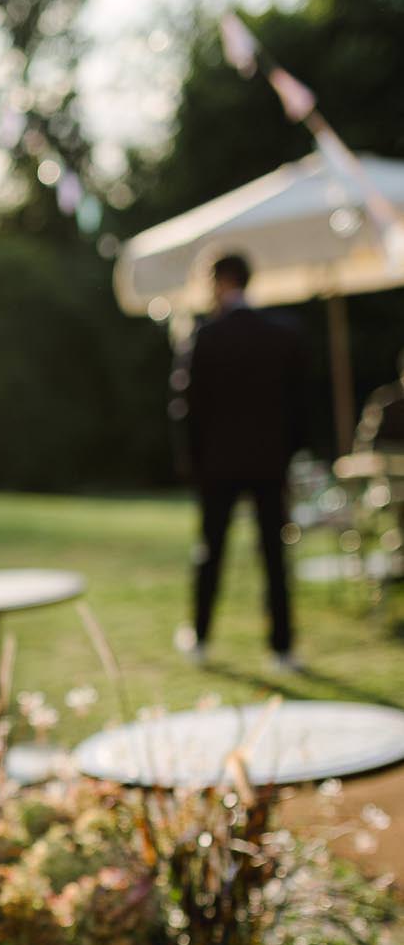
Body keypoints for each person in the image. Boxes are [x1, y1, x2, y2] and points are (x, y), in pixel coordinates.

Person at [175, 249, 308, 670]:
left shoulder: (205, 337)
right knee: (274, 557)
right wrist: (287, 458)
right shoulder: (283, 334)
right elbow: (299, 408)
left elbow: (186, 409)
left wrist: (193, 465)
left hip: (217, 468)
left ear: (220, 281)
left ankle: (199, 638)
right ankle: (282, 648)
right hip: (270, 465)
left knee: (210, 552)